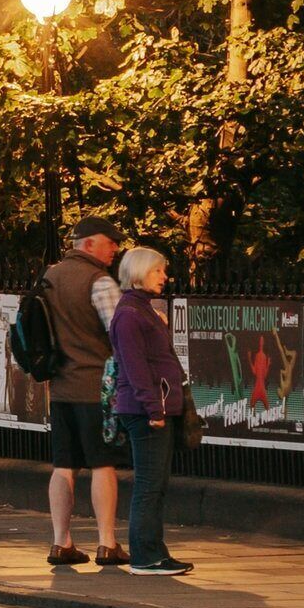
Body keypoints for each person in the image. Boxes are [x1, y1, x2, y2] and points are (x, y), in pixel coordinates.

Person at [41, 217, 126, 567]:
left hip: (60, 387)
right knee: (102, 464)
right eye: (110, 242)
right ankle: (107, 543)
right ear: (89, 244)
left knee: (64, 465)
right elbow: (120, 331)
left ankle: (61, 542)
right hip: (95, 387)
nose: (115, 248)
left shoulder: (49, 277)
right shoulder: (99, 281)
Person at [111, 244, 194, 576]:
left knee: (157, 484)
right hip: (146, 412)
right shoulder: (130, 315)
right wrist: (153, 409)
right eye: (157, 270)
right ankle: (145, 556)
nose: (164, 276)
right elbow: (136, 368)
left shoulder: (142, 310)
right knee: (149, 484)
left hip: (156, 407)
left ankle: (155, 552)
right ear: (138, 273)